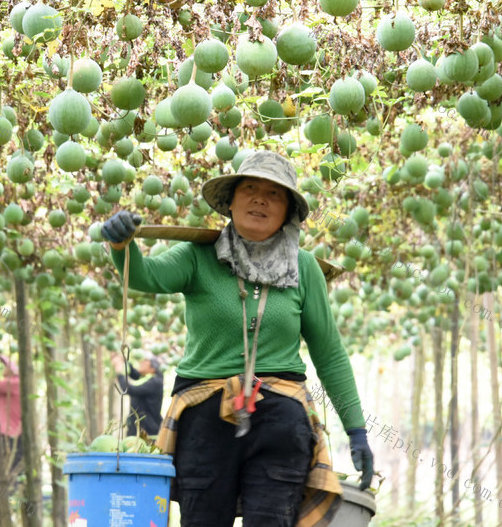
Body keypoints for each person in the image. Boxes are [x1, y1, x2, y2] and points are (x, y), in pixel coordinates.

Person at [101, 150, 374, 526]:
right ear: (230, 202)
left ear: (287, 213)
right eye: (250, 188)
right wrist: (122, 246)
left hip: (280, 418)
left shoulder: (304, 267)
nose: (260, 198)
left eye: (274, 194)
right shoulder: (198, 255)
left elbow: (328, 354)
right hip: (204, 415)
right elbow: (145, 276)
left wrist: (357, 431)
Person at [112, 351, 165, 437]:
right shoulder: (146, 378)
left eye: (145, 360)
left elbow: (130, 390)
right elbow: (135, 374)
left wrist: (119, 373)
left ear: (153, 367)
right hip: (137, 428)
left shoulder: (155, 382)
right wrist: (123, 360)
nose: (141, 362)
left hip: (147, 431)